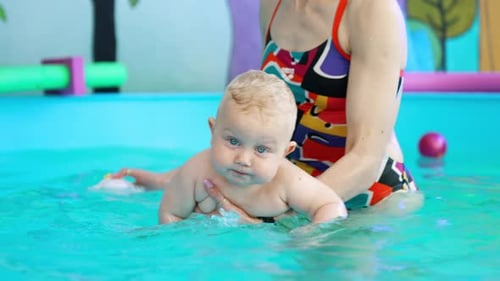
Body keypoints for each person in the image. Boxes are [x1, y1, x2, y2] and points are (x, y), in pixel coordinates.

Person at [114, 0, 420, 219]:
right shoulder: (273, 5)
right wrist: (174, 181)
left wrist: (273, 219)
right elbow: (265, 121)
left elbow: (366, 157)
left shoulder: (371, 10)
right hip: (285, 191)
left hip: (366, 200)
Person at [136, 70, 347, 224]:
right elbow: (170, 214)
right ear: (213, 131)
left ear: (285, 153)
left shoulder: (287, 181)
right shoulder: (196, 172)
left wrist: (305, 237)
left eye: (261, 150)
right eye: (234, 141)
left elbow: (331, 206)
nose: (244, 159)